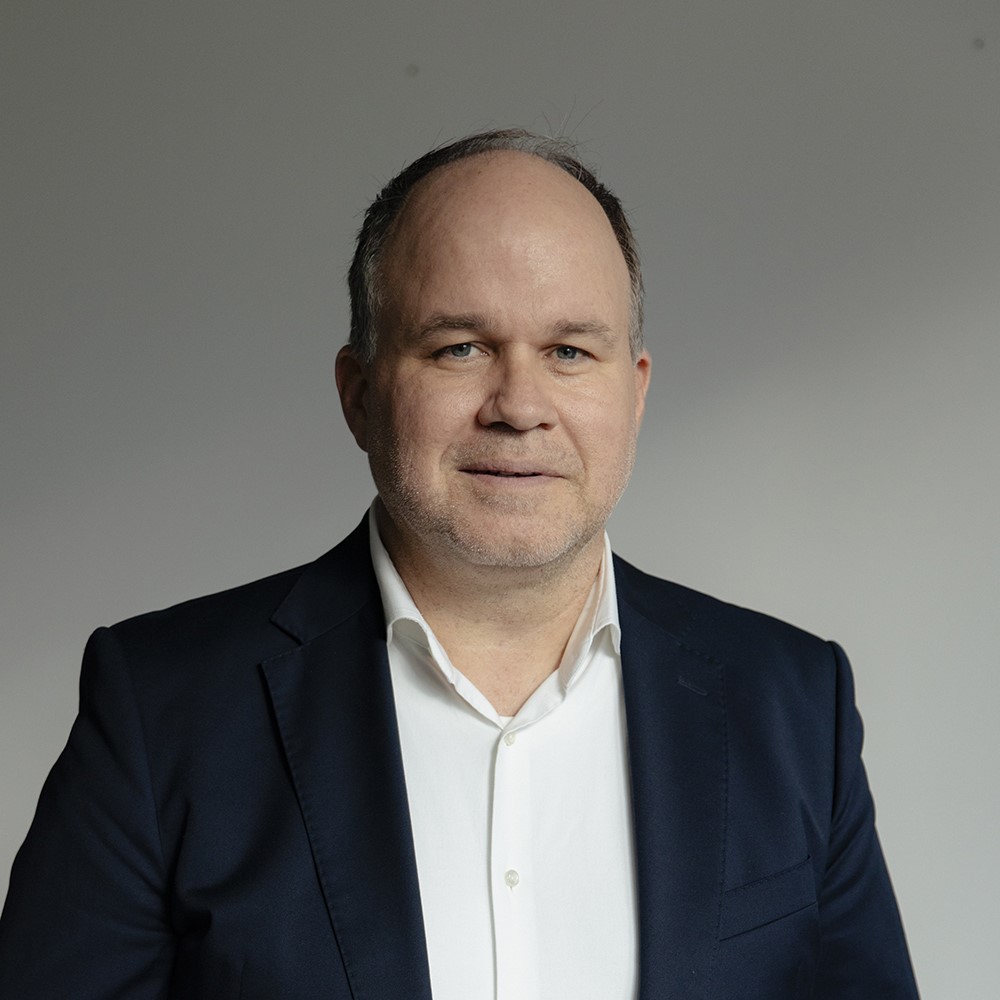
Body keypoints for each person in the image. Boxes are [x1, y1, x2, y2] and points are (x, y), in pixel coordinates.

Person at [0, 129, 918, 999]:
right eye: (460, 348)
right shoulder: (162, 711)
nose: (519, 405)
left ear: (634, 394)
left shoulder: (794, 706)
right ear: (359, 395)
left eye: (569, 351)